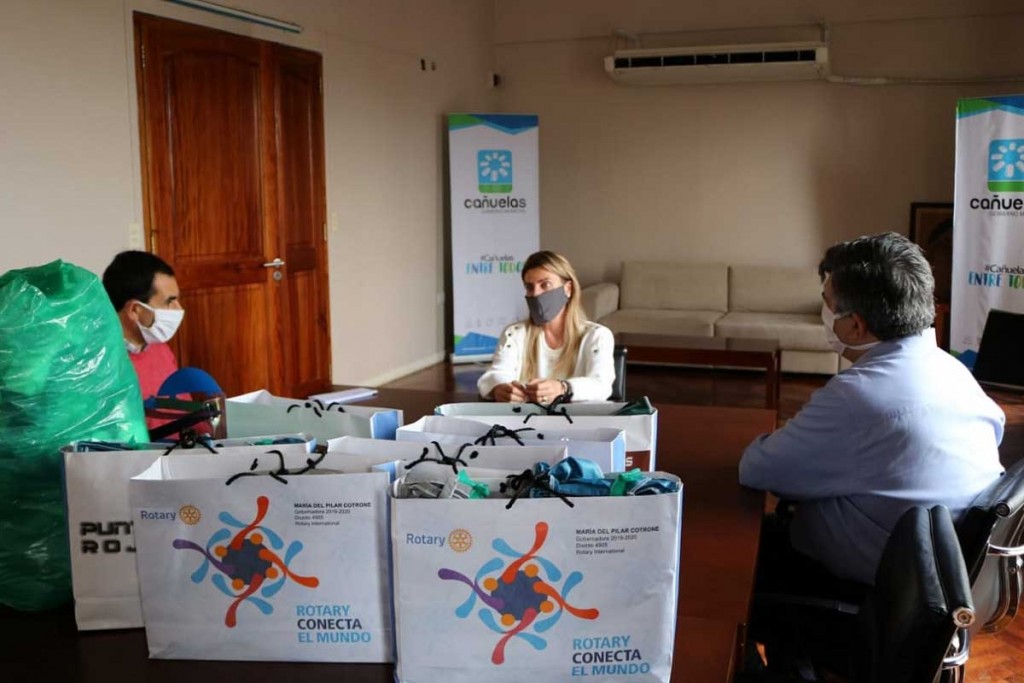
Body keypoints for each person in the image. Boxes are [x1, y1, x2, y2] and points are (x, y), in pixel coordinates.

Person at [740, 232, 1005, 588]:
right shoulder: (953, 371)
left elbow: (757, 470)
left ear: (855, 325)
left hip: (867, 585)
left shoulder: (857, 396)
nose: (823, 313)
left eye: (827, 303)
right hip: (946, 573)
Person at [478, 250, 615, 403]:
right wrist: (500, 388)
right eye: (529, 287)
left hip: (577, 417)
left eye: (545, 285)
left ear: (568, 289)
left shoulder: (597, 336)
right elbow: (496, 373)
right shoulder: (514, 334)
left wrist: (563, 388)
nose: (536, 294)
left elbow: (601, 385)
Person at [102, 250, 184, 404]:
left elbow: (183, 407)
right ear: (134, 310)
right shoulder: (101, 366)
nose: (178, 309)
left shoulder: (161, 350)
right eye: (169, 301)